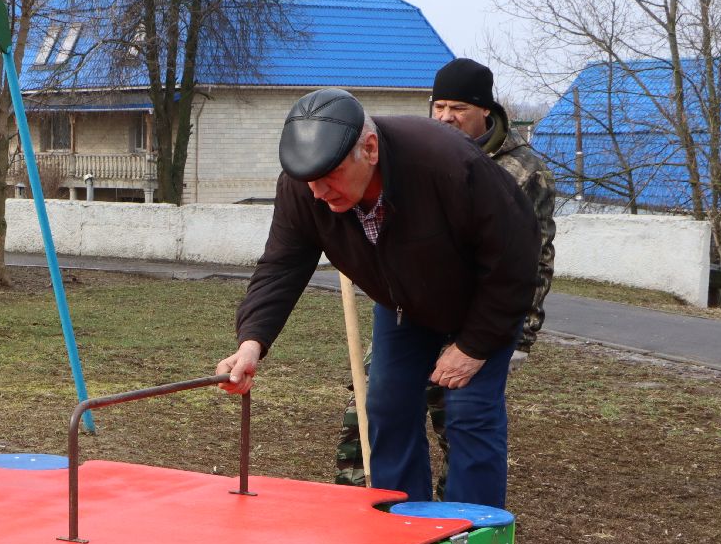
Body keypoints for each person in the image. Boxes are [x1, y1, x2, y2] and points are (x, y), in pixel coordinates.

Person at [217, 89, 539, 508]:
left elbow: (516, 255)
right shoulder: (304, 185)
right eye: (309, 179)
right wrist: (251, 343)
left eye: (330, 175)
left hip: (482, 302)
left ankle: (471, 536)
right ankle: (401, 529)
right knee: (386, 407)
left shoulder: (446, 163)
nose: (318, 191)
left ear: (369, 149)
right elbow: (282, 265)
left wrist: (474, 346)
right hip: (402, 305)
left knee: (469, 412)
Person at [334, 58, 559, 489]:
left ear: (485, 111)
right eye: (439, 107)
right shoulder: (416, 155)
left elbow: (532, 258)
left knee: (463, 416)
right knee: (377, 404)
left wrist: (520, 335)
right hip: (415, 306)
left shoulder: (523, 171)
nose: (445, 117)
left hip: (481, 311)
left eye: (458, 108)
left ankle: (460, 515)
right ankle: (383, 505)